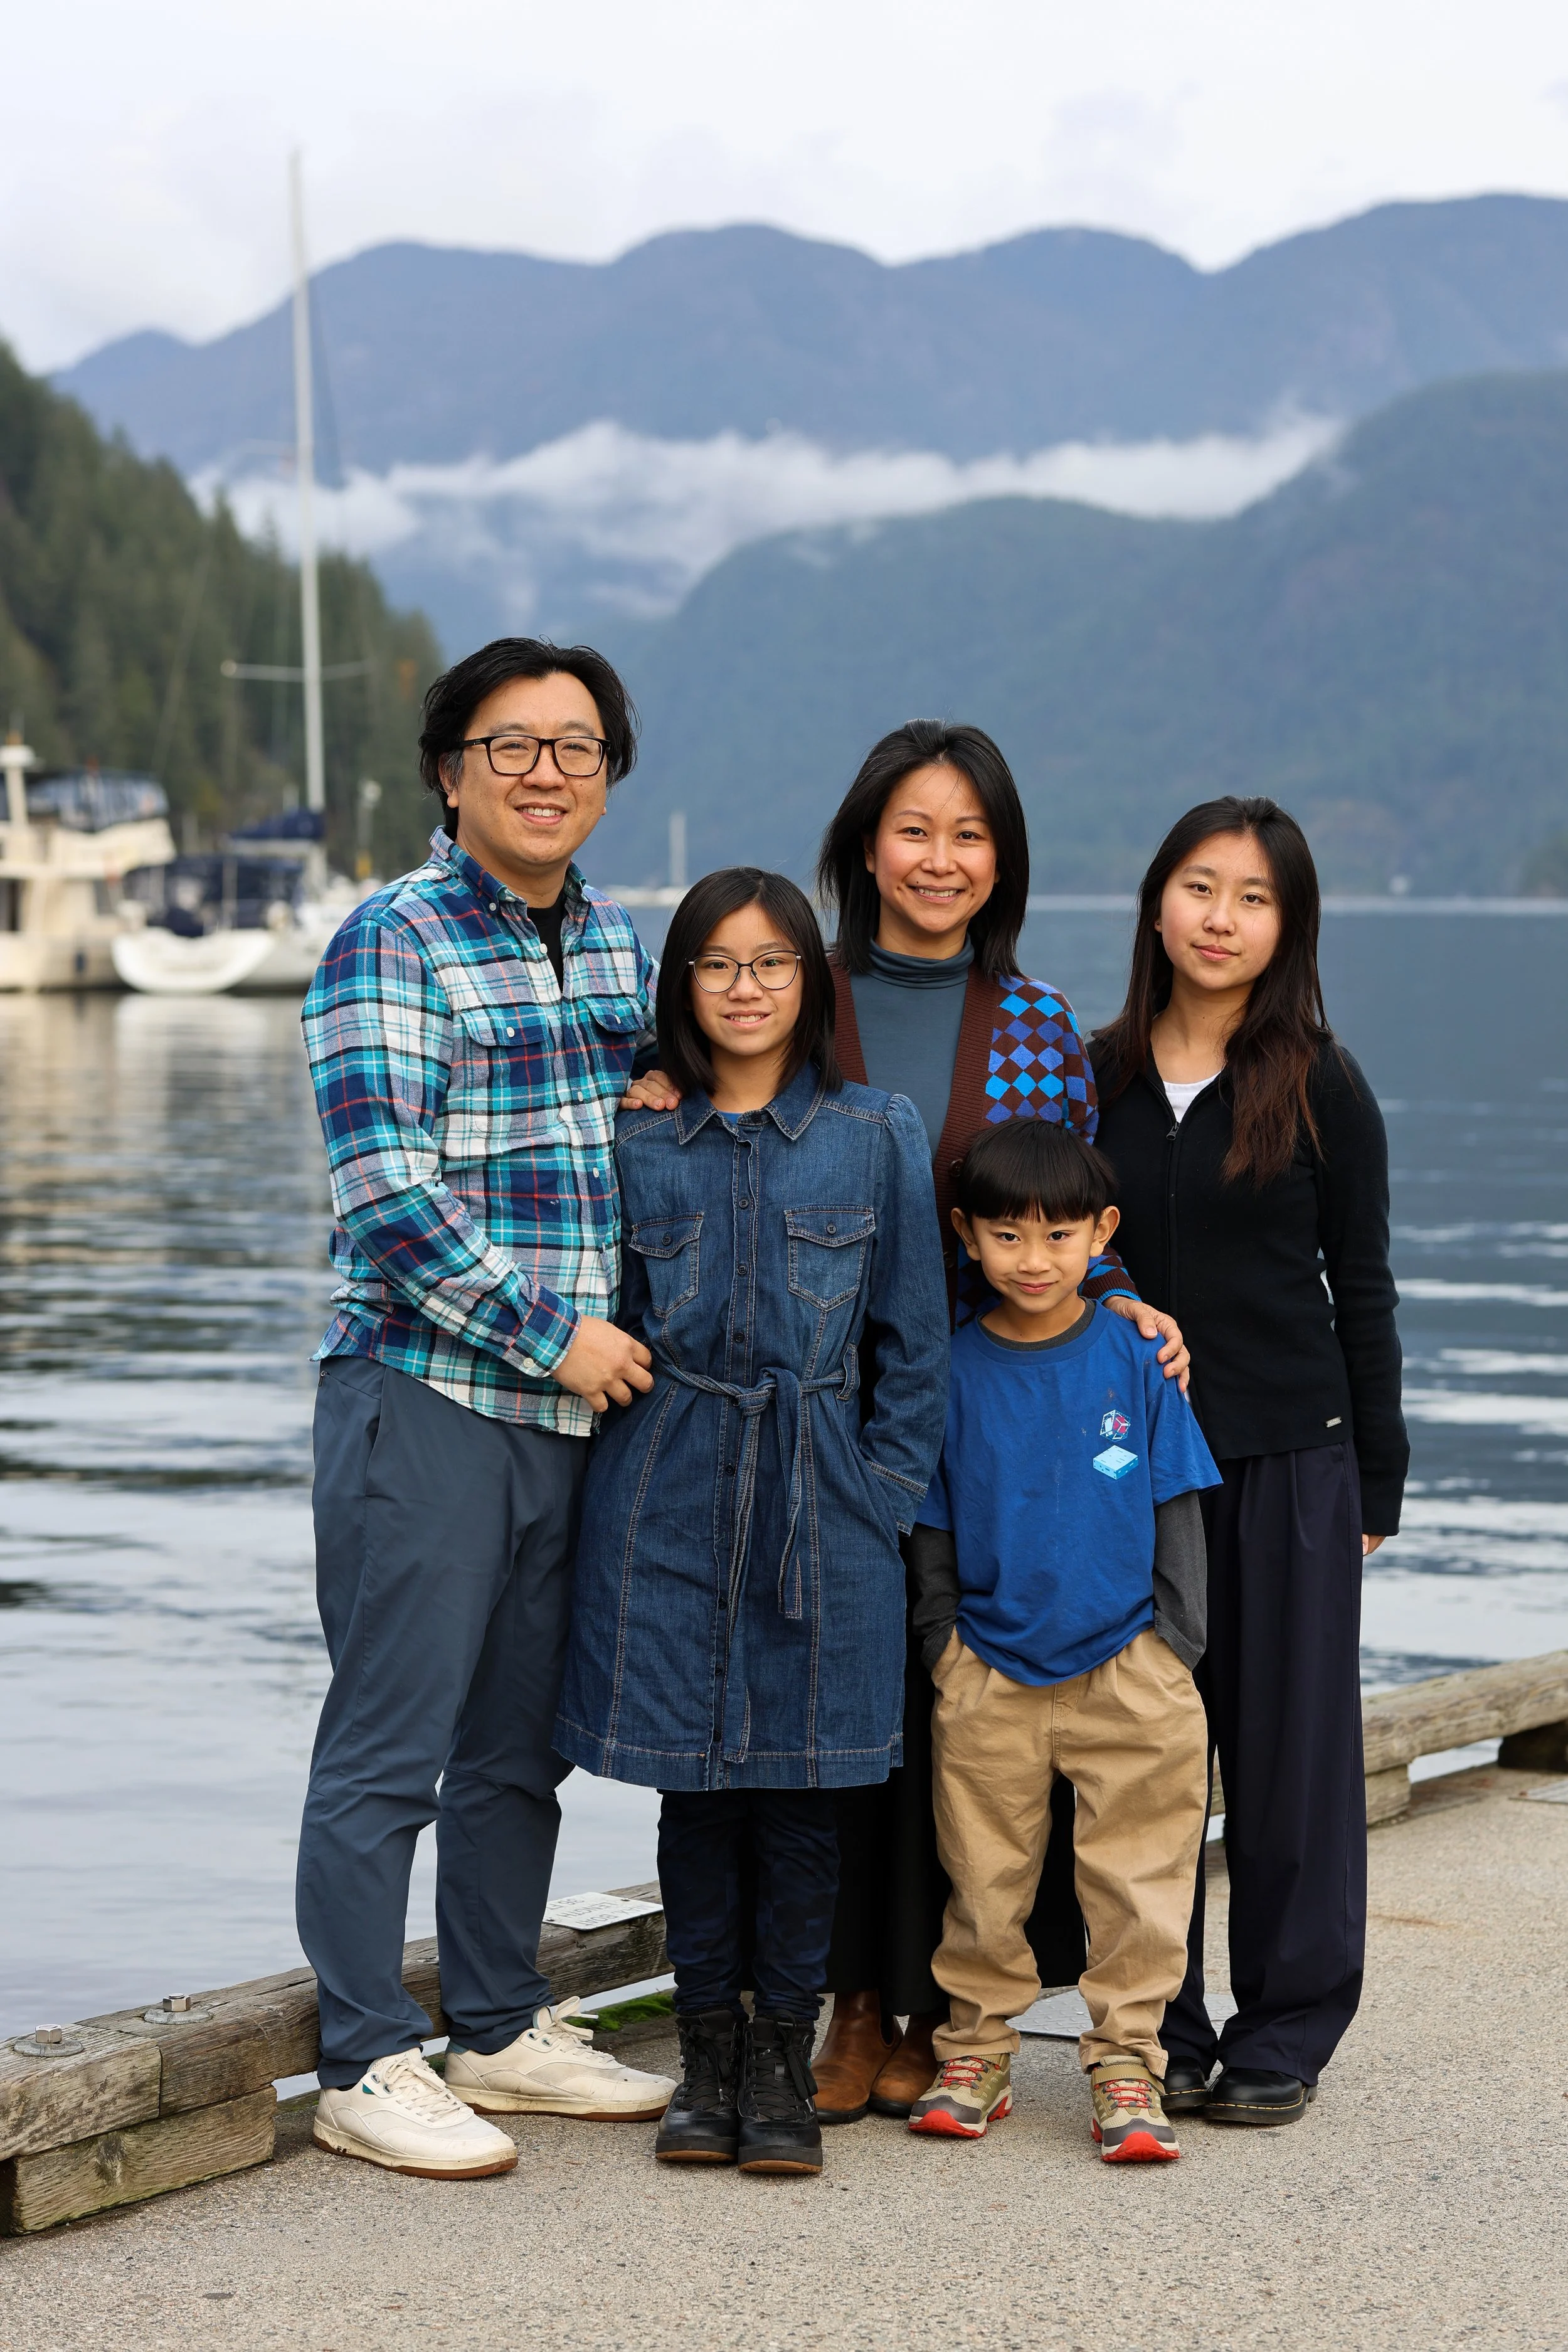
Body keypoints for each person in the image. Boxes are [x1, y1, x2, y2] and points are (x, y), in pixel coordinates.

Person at [298, 637, 678, 2180]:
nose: (544, 772)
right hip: (428, 1392)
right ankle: (361, 2058)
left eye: (576, 748)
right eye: (509, 745)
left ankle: (501, 2024)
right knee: (391, 1741)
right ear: (449, 772)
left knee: (520, 1745)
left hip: (573, 1420)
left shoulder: (614, 945)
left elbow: (649, 1121)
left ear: (607, 779)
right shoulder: (390, 940)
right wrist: (553, 1339)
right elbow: (387, 1196)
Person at [554, 867, 950, 2177]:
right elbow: (603, 1304)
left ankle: (782, 2057)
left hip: (821, 1492)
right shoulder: (637, 1137)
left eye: (770, 964)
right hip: (662, 1491)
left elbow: (914, 1343)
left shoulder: (871, 1129)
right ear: (681, 986)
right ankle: (705, 2056)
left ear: (808, 983)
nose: (743, 988)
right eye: (715, 965)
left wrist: (882, 1495)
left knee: (799, 1795)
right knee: (695, 1789)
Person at [1089, 795, 1407, 2126]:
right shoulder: (1088, 1068)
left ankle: (1283, 2029)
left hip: (1288, 1457)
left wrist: (1374, 1482)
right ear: (1156, 902)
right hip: (1124, 1466)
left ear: (1286, 927)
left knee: (1285, 1760)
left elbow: (1363, 1287)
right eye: (1200, 888)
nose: (1221, 919)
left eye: (1253, 898)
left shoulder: (1316, 1080)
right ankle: (1155, 2023)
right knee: (1134, 1760)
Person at [905, 1118, 1219, 2162]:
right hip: (991, 1667)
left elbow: (1176, 1499)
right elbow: (936, 1522)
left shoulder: (1134, 1354)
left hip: (1133, 1662)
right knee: (983, 1875)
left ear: (1103, 1233)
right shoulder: (951, 1368)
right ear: (965, 1236)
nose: (1032, 1260)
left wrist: (1174, 1641)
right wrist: (945, 1642)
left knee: (1138, 1875)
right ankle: (977, 2049)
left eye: (1058, 1235)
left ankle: (1129, 2063)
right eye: (1005, 1235)